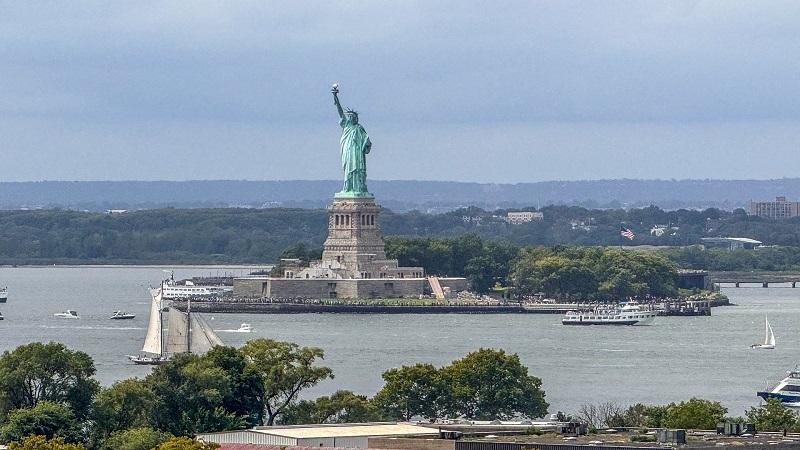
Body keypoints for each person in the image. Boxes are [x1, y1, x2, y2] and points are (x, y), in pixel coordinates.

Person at [332, 86, 371, 195]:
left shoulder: (359, 128)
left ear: (355, 118)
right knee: (348, 169)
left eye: (351, 116)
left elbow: (367, 140)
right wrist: (335, 97)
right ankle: (348, 187)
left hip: (357, 153)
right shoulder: (346, 126)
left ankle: (358, 188)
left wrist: (366, 143)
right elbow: (339, 111)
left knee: (357, 169)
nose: (349, 118)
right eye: (348, 116)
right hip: (348, 151)